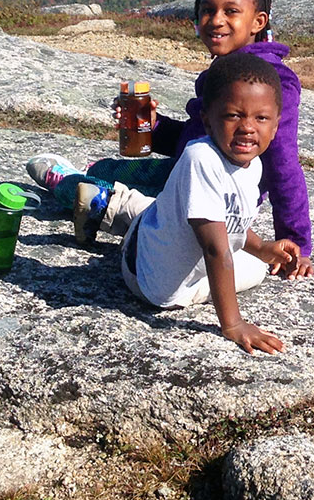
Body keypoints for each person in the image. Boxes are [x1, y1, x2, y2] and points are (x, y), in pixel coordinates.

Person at [26, 0, 313, 278]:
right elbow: (199, 138)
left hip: (213, 194)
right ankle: (93, 181)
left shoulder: (271, 83)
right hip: (182, 172)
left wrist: (296, 242)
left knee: (86, 189)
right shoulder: (229, 69)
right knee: (106, 167)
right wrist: (155, 125)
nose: (216, 20)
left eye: (231, 11)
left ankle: (79, 189)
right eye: (207, 10)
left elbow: (283, 163)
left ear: (258, 21)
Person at [120, 51, 296, 354]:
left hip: (179, 256)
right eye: (233, 115)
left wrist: (264, 248)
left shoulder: (252, 165)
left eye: (261, 118)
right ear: (207, 120)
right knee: (166, 215)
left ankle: (136, 208)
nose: (248, 127)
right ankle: (115, 206)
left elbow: (234, 223)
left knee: (258, 265)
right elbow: (216, 249)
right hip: (150, 282)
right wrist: (233, 324)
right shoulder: (200, 158)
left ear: (276, 125)